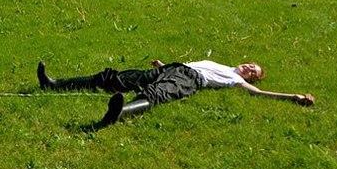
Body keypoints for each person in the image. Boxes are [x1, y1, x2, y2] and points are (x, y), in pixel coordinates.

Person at [37, 59, 315, 127]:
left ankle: (118, 113)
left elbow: (260, 94)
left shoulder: (235, 81)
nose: (249, 70)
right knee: (115, 77)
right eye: (250, 65)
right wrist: (163, 65)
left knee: (157, 94)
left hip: (190, 80)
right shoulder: (221, 63)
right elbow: (188, 65)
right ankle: (54, 84)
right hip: (174, 67)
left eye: (253, 72)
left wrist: (293, 97)